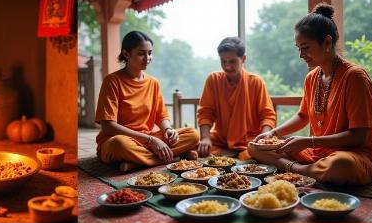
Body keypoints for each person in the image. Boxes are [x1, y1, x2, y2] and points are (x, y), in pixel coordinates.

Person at [249, 3, 372, 186]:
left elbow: (359, 136)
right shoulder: (312, 77)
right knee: (255, 147)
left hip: (354, 155)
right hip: (318, 153)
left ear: (327, 43)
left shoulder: (354, 77)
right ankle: (303, 169)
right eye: (298, 48)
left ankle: (295, 169)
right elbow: (302, 116)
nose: (301, 55)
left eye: (305, 47)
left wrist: (308, 141)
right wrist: (272, 133)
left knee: (341, 165)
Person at [95, 30, 199, 173]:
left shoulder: (153, 82)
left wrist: (168, 130)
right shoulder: (112, 81)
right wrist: (151, 140)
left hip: (148, 140)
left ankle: (138, 163)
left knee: (193, 134)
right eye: (141, 53)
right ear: (126, 54)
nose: (147, 58)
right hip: (120, 141)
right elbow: (108, 126)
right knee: (119, 144)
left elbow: (161, 116)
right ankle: (174, 157)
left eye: (150, 53)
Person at [197, 37, 275, 160]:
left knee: (255, 155)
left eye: (232, 61)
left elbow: (267, 116)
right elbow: (205, 113)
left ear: (243, 59)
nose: (227, 66)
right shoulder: (213, 79)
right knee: (196, 147)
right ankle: (225, 157)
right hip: (220, 142)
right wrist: (205, 138)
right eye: (223, 61)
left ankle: (234, 158)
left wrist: (264, 139)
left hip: (248, 142)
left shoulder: (255, 82)